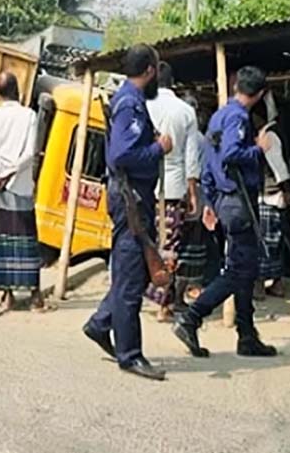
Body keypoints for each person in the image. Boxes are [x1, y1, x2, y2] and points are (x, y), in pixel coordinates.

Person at [173, 66, 278, 359]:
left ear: (236, 86)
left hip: (224, 200)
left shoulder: (219, 115)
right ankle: (191, 317)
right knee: (239, 270)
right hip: (238, 200)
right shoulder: (239, 118)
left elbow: (209, 161)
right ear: (258, 94)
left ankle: (247, 336)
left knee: (246, 267)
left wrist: (209, 201)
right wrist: (259, 149)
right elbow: (232, 153)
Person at [82, 44, 172, 381]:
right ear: (149, 70)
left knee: (133, 271)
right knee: (131, 277)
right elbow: (122, 155)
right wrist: (158, 148)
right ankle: (130, 355)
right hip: (130, 198)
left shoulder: (128, 100)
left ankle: (101, 322)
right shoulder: (130, 103)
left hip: (131, 196)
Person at [0, 71, 43, 314]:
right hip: (20, 186)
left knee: (3, 240)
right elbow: (30, 154)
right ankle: (35, 297)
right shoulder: (30, 116)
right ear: (18, 91)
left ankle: (8, 296)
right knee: (26, 241)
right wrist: (11, 173)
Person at [144, 61, 202, 320]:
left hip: (144, 186)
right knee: (170, 245)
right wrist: (193, 194)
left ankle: (139, 295)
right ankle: (164, 305)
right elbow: (191, 159)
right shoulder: (185, 111)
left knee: (145, 242)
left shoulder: (144, 105)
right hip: (174, 188)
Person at [254, 93, 290, 300]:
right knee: (275, 241)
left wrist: (286, 189)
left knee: (265, 241)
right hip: (276, 195)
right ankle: (276, 283)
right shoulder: (276, 132)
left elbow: (279, 167)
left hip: (269, 194)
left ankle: (260, 284)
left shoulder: (267, 135)